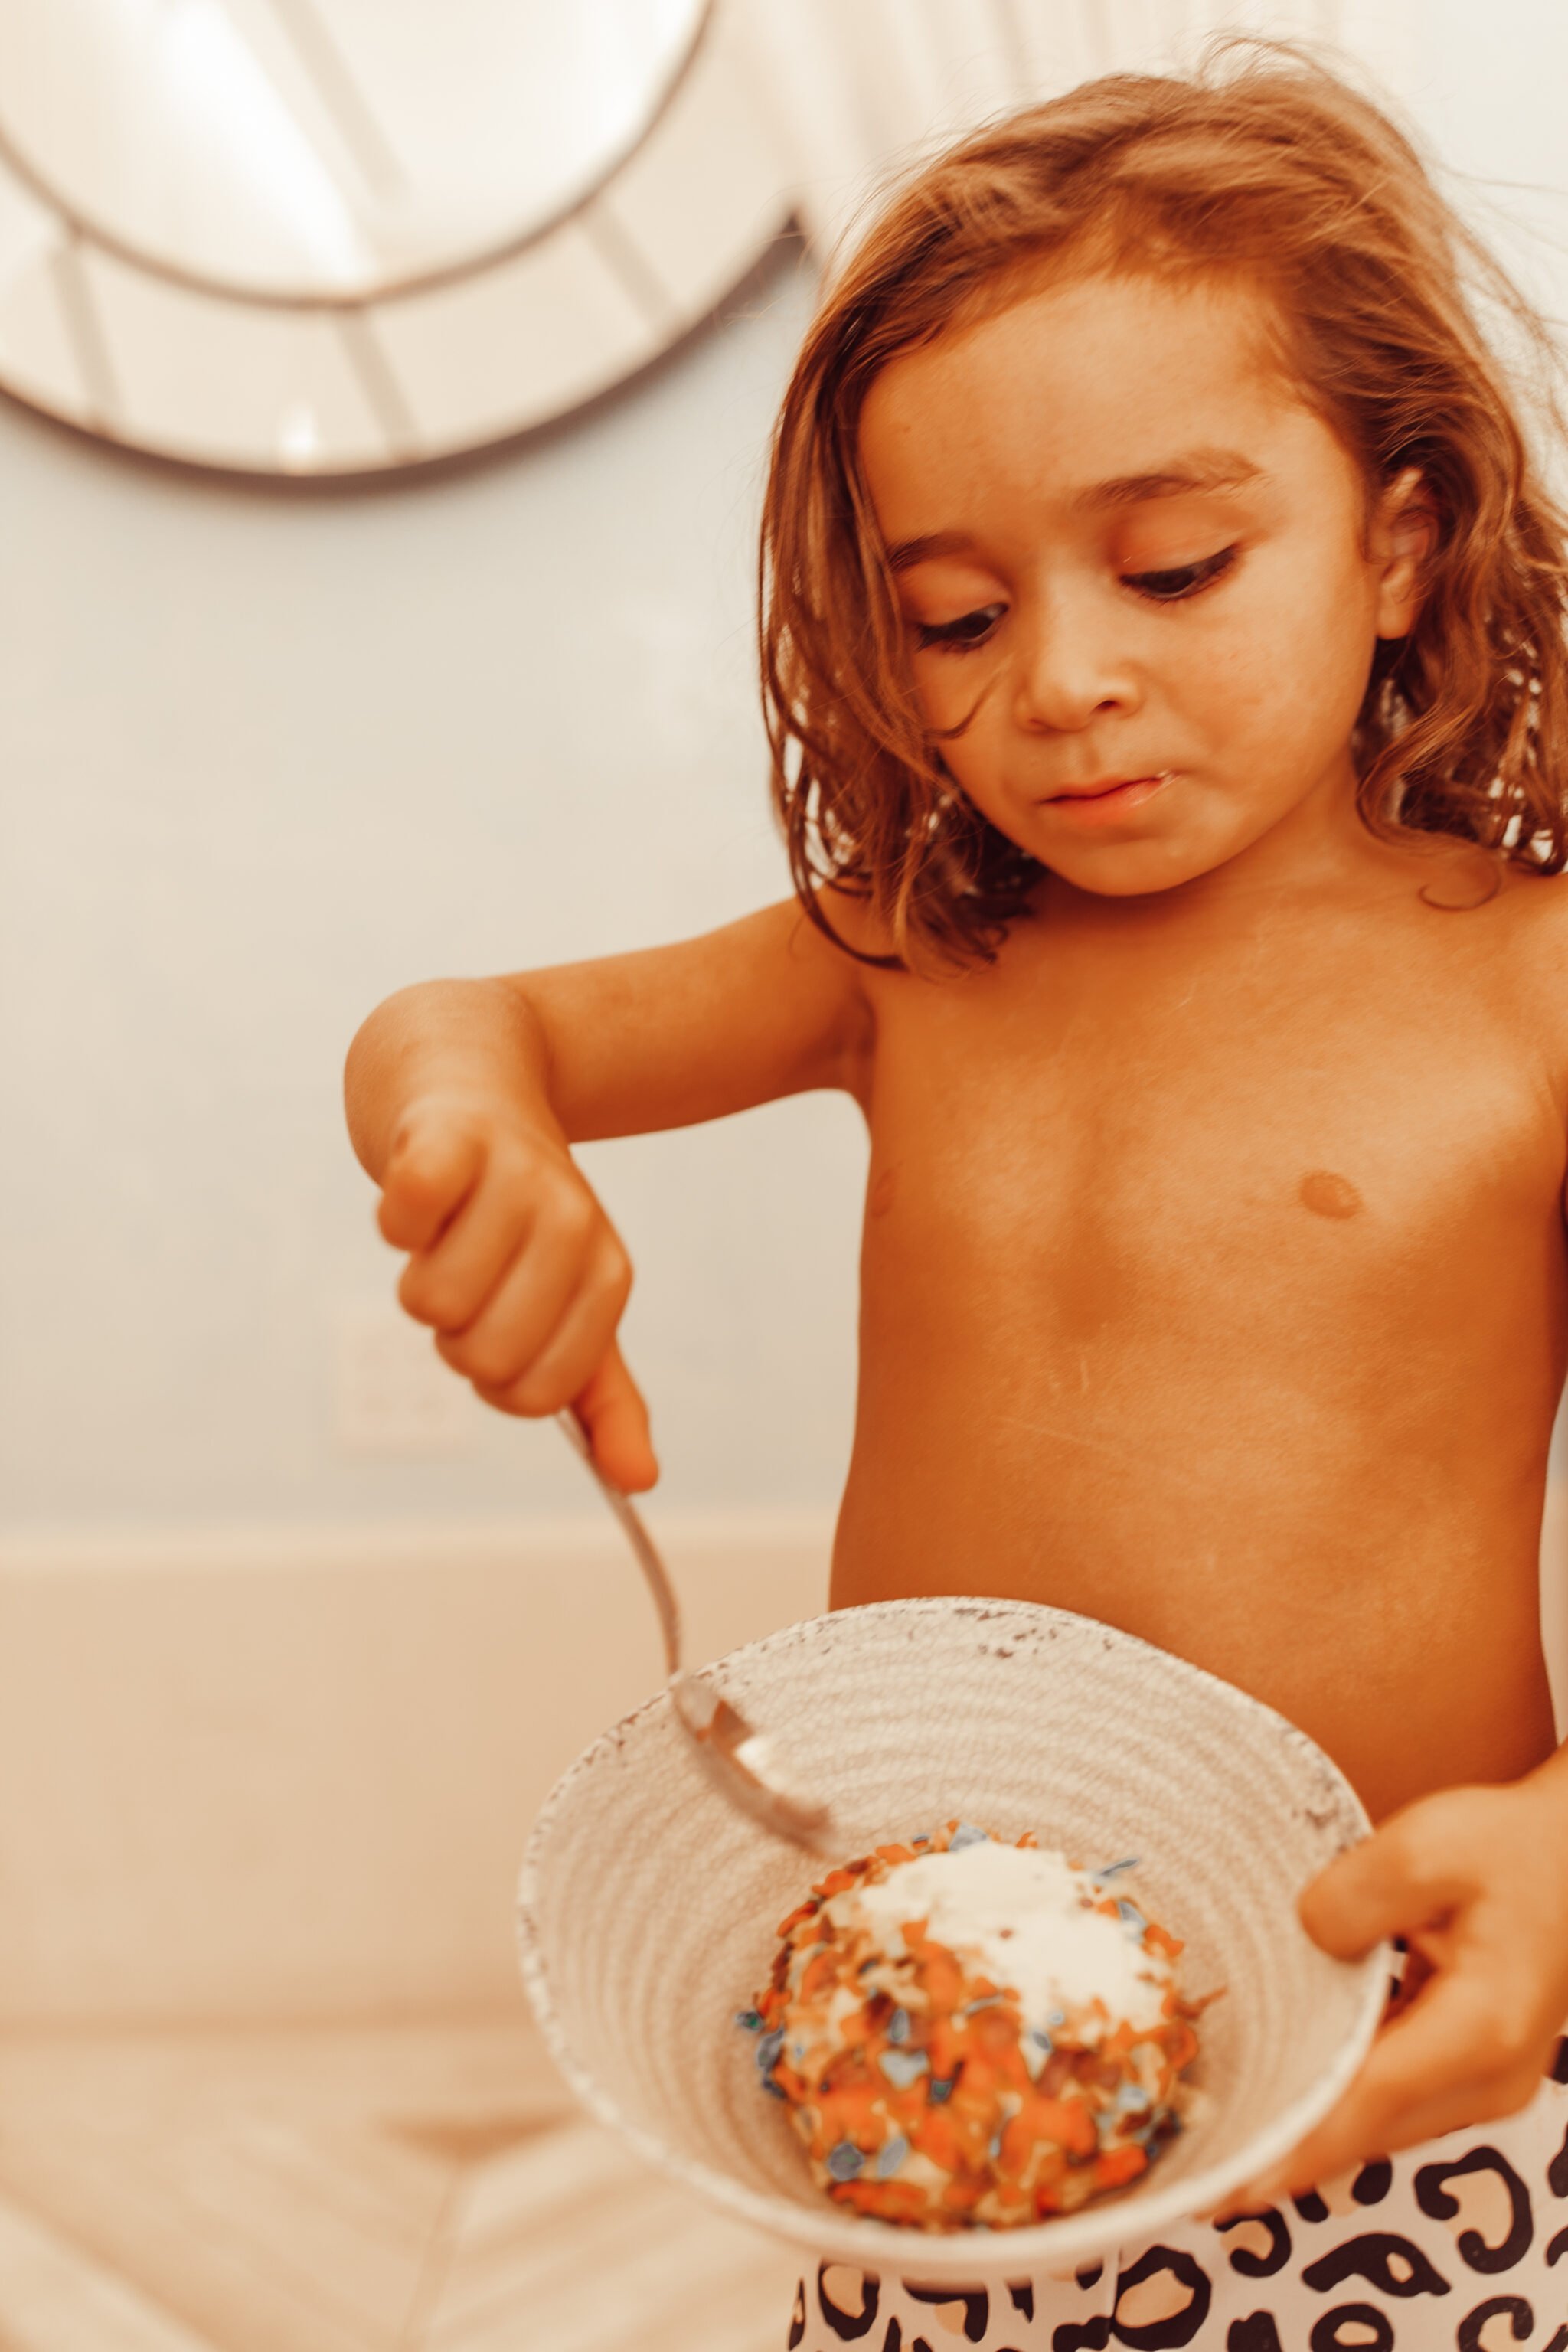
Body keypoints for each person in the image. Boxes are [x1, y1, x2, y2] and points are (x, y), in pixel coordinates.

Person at [343, 38, 1568, 2347]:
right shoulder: (916, 957)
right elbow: (461, 1021)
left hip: (1406, 2059)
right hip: (934, 2044)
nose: (1069, 683)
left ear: (1400, 543)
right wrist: (470, 1134)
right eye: (959, 616)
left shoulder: (1531, 991)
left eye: (1177, 564)